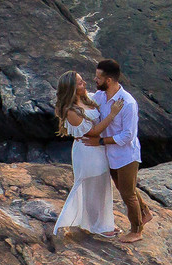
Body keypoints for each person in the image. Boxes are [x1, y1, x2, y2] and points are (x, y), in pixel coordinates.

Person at [82, 58, 152, 243]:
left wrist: (101, 141)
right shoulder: (100, 96)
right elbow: (86, 98)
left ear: (109, 80)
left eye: (98, 77)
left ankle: (137, 230)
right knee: (124, 188)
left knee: (128, 194)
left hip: (127, 155)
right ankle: (145, 212)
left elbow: (128, 135)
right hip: (110, 154)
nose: (95, 80)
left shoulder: (127, 103)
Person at [52, 70, 124, 242]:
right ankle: (96, 225)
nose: (84, 83)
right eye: (79, 82)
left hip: (98, 148)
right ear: (70, 88)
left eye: (82, 80)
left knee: (102, 184)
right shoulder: (71, 111)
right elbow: (92, 132)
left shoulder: (89, 98)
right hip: (86, 150)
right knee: (91, 185)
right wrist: (112, 114)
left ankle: (102, 223)